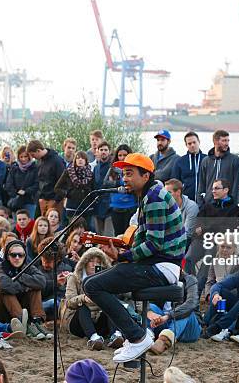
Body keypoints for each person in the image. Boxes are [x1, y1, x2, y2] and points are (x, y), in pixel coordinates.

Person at [83, 153, 187, 363]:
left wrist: (123, 257)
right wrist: (122, 251)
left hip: (162, 266)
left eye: (129, 174)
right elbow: (146, 239)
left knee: (93, 286)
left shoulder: (155, 198)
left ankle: (137, 336)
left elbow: (155, 244)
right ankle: (136, 335)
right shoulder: (149, 195)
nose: (125, 179)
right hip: (154, 263)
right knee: (90, 283)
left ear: (146, 175)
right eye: (123, 174)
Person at [63, 247, 122, 350]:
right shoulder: (74, 277)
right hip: (78, 321)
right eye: (91, 261)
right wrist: (84, 298)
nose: (94, 264)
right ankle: (93, 338)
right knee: (83, 307)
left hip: (99, 318)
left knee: (111, 303)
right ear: (85, 262)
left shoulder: (104, 278)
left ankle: (115, 335)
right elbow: (69, 302)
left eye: (98, 262)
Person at [0, 239, 49, 339]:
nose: (17, 258)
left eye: (21, 255)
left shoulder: (28, 266)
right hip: (3, 310)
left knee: (36, 289)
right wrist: (28, 285)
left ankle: (37, 321)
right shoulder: (0, 268)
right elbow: (7, 286)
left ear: (24, 256)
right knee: (6, 292)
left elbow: (42, 282)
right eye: (13, 255)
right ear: (8, 256)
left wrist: (21, 277)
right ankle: (24, 323)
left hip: (25, 307)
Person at [184, 178, 239, 278]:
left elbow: (229, 228)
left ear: (226, 190)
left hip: (217, 241)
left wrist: (206, 228)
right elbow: (199, 223)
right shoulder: (208, 205)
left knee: (207, 262)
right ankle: (190, 284)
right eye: (213, 188)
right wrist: (208, 227)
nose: (213, 191)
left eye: (217, 188)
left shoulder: (234, 209)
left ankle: (198, 289)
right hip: (202, 239)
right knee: (188, 259)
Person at [148, 271, 202, 355]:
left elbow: (191, 303)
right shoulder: (158, 279)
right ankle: (147, 337)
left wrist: (168, 316)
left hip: (189, 329)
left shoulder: (190, 279)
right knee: (150, 306)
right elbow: (142, 300)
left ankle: (164, 340)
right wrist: (150, 312)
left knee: (187, 311)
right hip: (164, 324)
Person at [197, 129, 239, 206]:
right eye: (224, 141)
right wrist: (201, 204)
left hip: (227, 206)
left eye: (228, 141)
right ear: (215, 142)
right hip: (208, 205)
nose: (227, 143)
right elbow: (201, 185)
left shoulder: (235, 160)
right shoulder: (205, 161)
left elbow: (237, 185)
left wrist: (233, 204)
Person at [104, 145, 138, 236]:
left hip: (130, 207)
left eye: (125, 155)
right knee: (118, 235)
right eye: (120, 155)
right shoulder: (113, 168)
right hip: (116, 207)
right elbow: (106, 183)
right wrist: (119, 182)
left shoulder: (134, 169)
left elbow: (134, 185)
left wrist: (119, 182)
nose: (122, 158)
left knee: (129, 235)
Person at [36, 237, 72, 322]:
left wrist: (71, 279)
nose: (45, 263)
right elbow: (38, 292)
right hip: (42, 305)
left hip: (62, 305)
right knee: (53, 302)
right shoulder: (34, 268)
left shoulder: (68, 267)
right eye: (43, 259)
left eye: (48, 261)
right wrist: (55, 283)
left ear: (58, 259)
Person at [28, 140, 66, 217]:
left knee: (54, 223)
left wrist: (56, 200)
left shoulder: (57, 161)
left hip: (55, 199)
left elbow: (63, 182)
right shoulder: (39, 161)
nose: (32, 157)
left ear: (38, 150)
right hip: (42, 199)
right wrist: (40, 198)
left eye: (33, 154)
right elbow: (39, 181)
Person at [54, 151, 95, 223]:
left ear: (86, 161)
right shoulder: (68, 171)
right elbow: (57, 188)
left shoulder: (90, 173)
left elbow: (94, 188)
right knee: (73, 230)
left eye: (82, 158)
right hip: (72, 207)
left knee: (87, 229)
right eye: (78, 158)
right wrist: (68, 194)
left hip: (87, 207)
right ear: (74, 160)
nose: (80, 160)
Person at [5, 145, 39, 219]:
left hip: (30, 200)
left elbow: (37, 184)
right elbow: (8, 184)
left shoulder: (35, 168)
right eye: (21, 157)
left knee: (29, 223)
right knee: (17, 224)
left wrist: (25, 191)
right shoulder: (14, 168)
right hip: (16, 201)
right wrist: (16, 193)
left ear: (29, 156)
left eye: (25, 156)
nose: (23, 159)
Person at [171, 132, 205, 202]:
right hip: (186, 201)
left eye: (194, 142)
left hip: (204, 201)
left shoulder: (207, 159)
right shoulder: (180, 161)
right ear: (186, 145)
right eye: (189, 143)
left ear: (199, 142)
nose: (192, 145)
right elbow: (175, 183)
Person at [164, 179, 198, 246]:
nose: (165, 196)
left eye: (169, 192)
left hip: (187, 243)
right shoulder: (164, 205)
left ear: (178, 192)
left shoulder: (191, 206)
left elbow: (187, 234)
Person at [92, 141, 114, 236]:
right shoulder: (96, 168)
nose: (103, 152)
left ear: (109, 152)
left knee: (109, 235)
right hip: (97, 205)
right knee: (99, 235)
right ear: (97, 151)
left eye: (105, 150)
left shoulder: (113, 167)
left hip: (110, 206)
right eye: (101, 150)